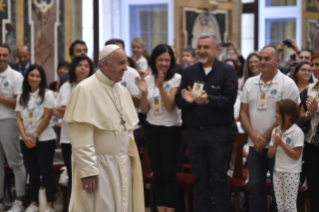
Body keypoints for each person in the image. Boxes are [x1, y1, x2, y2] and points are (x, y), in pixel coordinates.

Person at [63, 45, 144, 212]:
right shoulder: (85, 89)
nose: (125, 68)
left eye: (126, 63)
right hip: (100, 165)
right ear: (105, 64)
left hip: (123, 163)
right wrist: (87, 171)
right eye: (121, 63)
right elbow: (80, 135)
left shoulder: (122, 91)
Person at [175, 33, 238, 211]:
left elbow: (229, 100)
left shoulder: (227, 71)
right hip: (195, 133)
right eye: (199, 47)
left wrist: (207, 99)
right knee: (199, 179)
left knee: (218, 178)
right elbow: (179, 101)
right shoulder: (189, 72)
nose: (202, 50)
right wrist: (186, 101)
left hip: (218, 133)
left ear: (216, 49)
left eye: (206, 47)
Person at [240, 46, 299, 212]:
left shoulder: (288, 84)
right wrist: (253, 135)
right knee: (256, 187)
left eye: (267, 59)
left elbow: (286, 117)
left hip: (277, 147)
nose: (262, 62)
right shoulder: (250, 83)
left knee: (277, 190)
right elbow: (243, 113)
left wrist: (264, 137)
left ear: (278, 61)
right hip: (254, 146)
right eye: (260, 58)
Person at [135, 44, 182, 212]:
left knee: (169, 173)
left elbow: (170, 107)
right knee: (158, 173)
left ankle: (170, 209)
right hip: (152, 129)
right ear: (154, 61)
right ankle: (160, 208)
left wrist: (161, 86)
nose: (164, 63)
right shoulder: (147, 79)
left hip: (171, 130)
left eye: (167, 60)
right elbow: (145, 110)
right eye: (160, 59)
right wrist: (144, 93)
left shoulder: (176, 78)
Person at [16, 65, 56, 212]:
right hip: (26, 139)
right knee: (32, 172)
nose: (34, 78)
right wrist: (25, 137)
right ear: (27, 77)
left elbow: (47, 117)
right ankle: (33, 203)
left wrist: (34, 136)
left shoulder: (47, 94)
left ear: (42, 78)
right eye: (31, 75)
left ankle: (50, 204)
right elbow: (18, 119)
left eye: (38, 76)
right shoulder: (22, 95)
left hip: (44, 139)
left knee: (46, 172)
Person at [53, 55, 94, 199]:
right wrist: (61, 111)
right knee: (71, 174)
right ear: (74, 68)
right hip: (67, 138)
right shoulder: (65, 86)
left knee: (87, 175)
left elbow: (95, 112)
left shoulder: (94, 87)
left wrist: (71, 110)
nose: (83, 68)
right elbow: (55, 108)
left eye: (86, 65)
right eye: (80, 65)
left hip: (87, 138)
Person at [0, 43, 26, 212]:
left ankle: (19, 201)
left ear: (10, 57)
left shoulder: (16, 76)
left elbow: (18, 101)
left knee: (16, 162)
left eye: (4, 55)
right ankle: (1, 201)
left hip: (8, 121)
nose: (1, 58)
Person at [267, 99, 303, 212]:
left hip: (291, 173)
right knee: (280, 206)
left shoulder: (296, 132)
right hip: (277, 171)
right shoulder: (276, 130)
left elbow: (296, 155)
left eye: (278, 112)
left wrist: (281, 143)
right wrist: (275, 147)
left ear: (288, 115)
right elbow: (269, 154)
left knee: (290, 207)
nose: (275, 115)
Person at [298, 51, 319, 211]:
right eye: (313, 65)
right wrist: (309, 113)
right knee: (313, 189)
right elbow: (299, 120)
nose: (314, 68)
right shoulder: (309, 89)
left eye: (317, 65)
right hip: (312, 146)